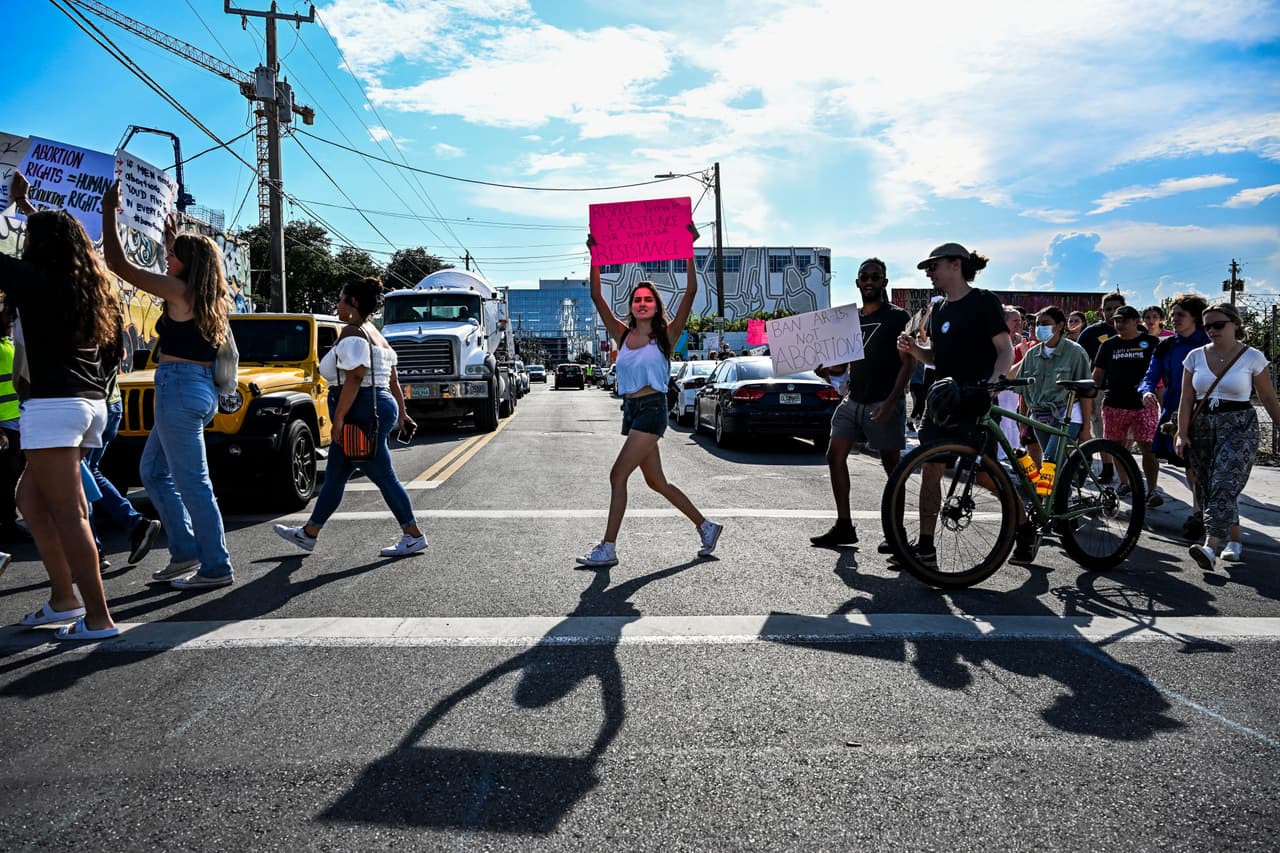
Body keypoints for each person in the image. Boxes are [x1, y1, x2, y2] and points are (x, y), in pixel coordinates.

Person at [1, 174, 120, 639]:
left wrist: (19, 210)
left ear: (37, 246)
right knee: (30, 499)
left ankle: (98, 617)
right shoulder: (84, 281)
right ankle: (63, 599)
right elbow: (63, 238)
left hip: (53, 407)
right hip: (88, 405)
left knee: (70, 512)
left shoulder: (31, 280)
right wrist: (26, 205)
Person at [102, 181, 235, 590]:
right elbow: (179, 262)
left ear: (186, 265)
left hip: (179, 390)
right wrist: (170, 237)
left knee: (193, 482)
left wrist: (109, 212)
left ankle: (215, 565)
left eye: (172, 256)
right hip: (192, 389)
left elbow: (119, 265)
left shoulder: (180, 291)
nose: (167, 261)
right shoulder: (208, 294)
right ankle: (185, 551)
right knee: (154, 471)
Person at [578, 228, 721, 567]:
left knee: (617, 475)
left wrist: (688, 248)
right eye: (637, 299)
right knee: (656, 481)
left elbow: (690, 292)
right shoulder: (622, 334)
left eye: (648, 299)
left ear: (656, 306)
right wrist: (596, 255)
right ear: (632, 306)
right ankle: (706, 526)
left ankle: (608, 547)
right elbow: (598, 297)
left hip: (653, 410)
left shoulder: (666, 337)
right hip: (632, 410)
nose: (642, 303)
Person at [275, 278, 426, 557]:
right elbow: (392, 380)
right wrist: (402, 413)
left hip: (360, 408)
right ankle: (309, 533)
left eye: (341, 299)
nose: (338, 304)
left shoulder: (353, 333)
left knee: (383, 474)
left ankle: (413, 534)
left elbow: (355, 377)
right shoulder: (375, 334)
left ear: (353, 303)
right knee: (335, 475)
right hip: (376, 403)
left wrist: (340, 419)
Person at [896, 243, 1023, 563]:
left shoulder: (983, 301)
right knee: (930, 468)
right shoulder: (938, 310)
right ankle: (925, 546)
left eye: (933, 266)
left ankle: (1025, 523)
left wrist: (994, 383)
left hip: (975, 398)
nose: (928, 272)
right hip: (943, 400)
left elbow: (1005, 350)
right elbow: (936, 358)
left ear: (955, 265)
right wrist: (914, 351)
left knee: (983, 476)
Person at [810, 258, 913, 551]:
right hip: (853, 400)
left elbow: (907, 365)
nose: (869, 281)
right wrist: (827, 369)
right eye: (864, 277)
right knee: (834, 455)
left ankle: (896, 533)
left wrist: (892, 402)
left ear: (884, 282)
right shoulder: (849, 319)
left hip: (885, 401)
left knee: (892, 467)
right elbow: (842, 366)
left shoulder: (897, 317)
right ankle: (844, 526)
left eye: (875, 276)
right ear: (857, 283)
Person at [1176, 303, 1280, 570]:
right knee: (1210, 487)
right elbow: (1186, 399)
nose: (1212, 330)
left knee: (1224, 481)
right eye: (1207, 325)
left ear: (1235, 324)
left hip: (1239, 426)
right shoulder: (1194, 356)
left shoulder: (1252, 357)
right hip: (1202, 426)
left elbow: (1268, 397)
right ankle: (1234, 540)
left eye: (1218, 324)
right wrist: (1182, 432)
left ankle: (1210, 546)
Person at [1140, 293, 1210, 529]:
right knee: (1190, 464)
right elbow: (1150, 376)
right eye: (1172, 314)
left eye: (1180, 314)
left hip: (1208, 411)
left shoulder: (1209, 343)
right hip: (1176, 411)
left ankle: (1207, 512)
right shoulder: (1166, 346)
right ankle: (1199, 512)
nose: (1174, 318)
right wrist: (1147, 391)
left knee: (1203, 464)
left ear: (1195, 317)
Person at [1009, 306, 1093, 464]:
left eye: (1045, 323)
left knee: (1050, 461)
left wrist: (1086, 428)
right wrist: (1023, 425)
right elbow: (1025, 393)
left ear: (1060, 325)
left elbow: (1085, 393)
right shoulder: (1032, 355)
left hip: (1066, 415)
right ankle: (1064, 488)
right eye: (1038, 324)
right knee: (1055, 468)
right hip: (1039, 417)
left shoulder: (1075, 352)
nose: (1040, 327)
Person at [1092, 305, 1160, 498]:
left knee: (1147, 446)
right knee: (1118, 447)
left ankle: (1152, 489)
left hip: (1144, 403)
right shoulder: (1108, 345)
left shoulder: (1151, 342)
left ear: (1136, 321)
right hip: (1114, 402)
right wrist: (1087, 392)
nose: (1119, 324)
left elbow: (1162, 374)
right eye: (1116, 320)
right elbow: (1097, 374)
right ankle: (1124, 483)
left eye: (1124, 320)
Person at [1078, 292, 1126, 482]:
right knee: (1102, 431)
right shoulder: (1091, 332)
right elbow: (1079, 358)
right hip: (1099, 390)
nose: (1112, 313)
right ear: (1101, 311)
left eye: (1116, 309)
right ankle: (1107, 468)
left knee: (1125, 435)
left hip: (1128, 391)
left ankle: (1125, 469)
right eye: (1108, 309)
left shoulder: (1136, 330)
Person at [0, 306, 30, 544]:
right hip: (5, 425)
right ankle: (7, 523)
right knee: (6, 477)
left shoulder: (9, 344)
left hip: (17, 421)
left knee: (13, 474)